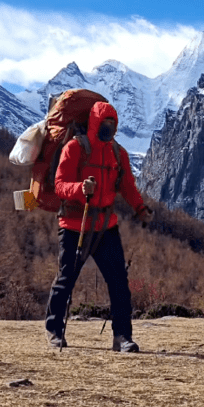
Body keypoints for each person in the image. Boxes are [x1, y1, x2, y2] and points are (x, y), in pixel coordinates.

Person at [44, 101, 153, 352]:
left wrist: (140, 208)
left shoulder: (117, 153)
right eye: (105, 123)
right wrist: (80, 189)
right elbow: (60, 185)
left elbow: (127, 186)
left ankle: (122, 337)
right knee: (65, 279)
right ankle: (54, 331)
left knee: (119, 282)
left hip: (105, 226)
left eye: (113, 124)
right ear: (95, 123)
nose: (109, 128)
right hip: (74, 224)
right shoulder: (74, 148)